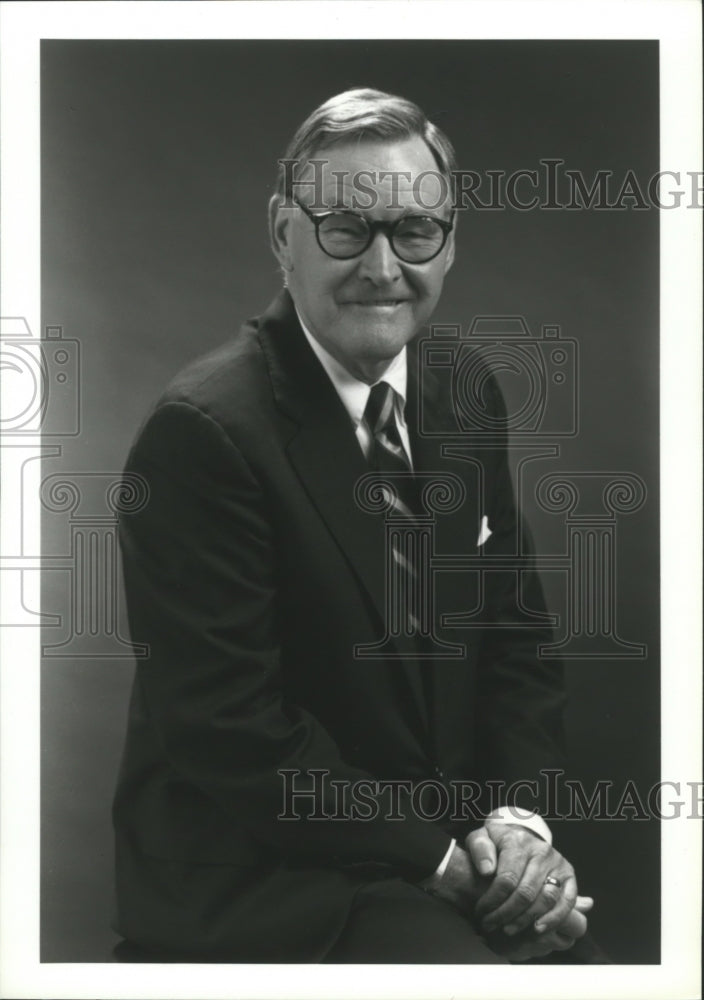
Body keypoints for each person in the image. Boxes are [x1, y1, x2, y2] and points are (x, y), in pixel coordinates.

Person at [113, 88, 600, 963]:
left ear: (450, 240)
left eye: (415, 231)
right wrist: (456, 869)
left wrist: (518, 830)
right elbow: (232, 728)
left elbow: (517, 637)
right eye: (345, 227)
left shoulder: (464, 387)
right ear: (281, 233)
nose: (383, 268)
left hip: (450, 848)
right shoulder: (203, 434)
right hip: (272, 879)